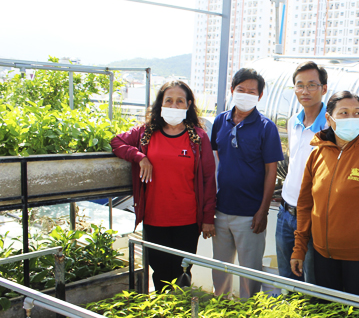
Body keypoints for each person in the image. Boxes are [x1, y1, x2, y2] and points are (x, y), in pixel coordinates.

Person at [291, 91, 359, 298]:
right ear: (329, 119)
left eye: (357, 113)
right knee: (329, 317)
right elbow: (305, 205)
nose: (352, 118)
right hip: (323, 254)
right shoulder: (317, 155)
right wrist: (299, 247)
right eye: (344, 113)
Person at [111, 80, 216, 291]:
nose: (174, 106)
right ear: (160, 105)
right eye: (169, 101)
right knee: (159, 274)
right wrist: (139, 156)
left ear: (188, 105)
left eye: (180, 101)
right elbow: (117, 142)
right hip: (154, 218)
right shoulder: (146, 133)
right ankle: (161, 317)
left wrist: (207, 218)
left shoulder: (198, 137)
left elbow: (208, 179)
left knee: (181, 274)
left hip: (187, 221)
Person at [211, 68, 284, 299]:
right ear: (232, 90)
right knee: (220, 271)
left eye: (251, 91)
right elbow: (216, 160)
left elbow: (271, 170)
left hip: (250, 215)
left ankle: (247, 314)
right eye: (240, 89)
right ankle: (220, 310)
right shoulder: (219, 121)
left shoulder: (266, 127)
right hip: (221, 211)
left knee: (249, 274)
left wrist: (262, 211)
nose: (245, 94)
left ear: (260, 96)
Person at [276, 61, 328, 284]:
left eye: (312, 85)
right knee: (286, 279)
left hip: (312, 217)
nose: (305, 91)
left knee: (311, 282)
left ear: (324, 88)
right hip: (285, 211)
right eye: (299, 85)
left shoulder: (330, 126)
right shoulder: (293, 122)